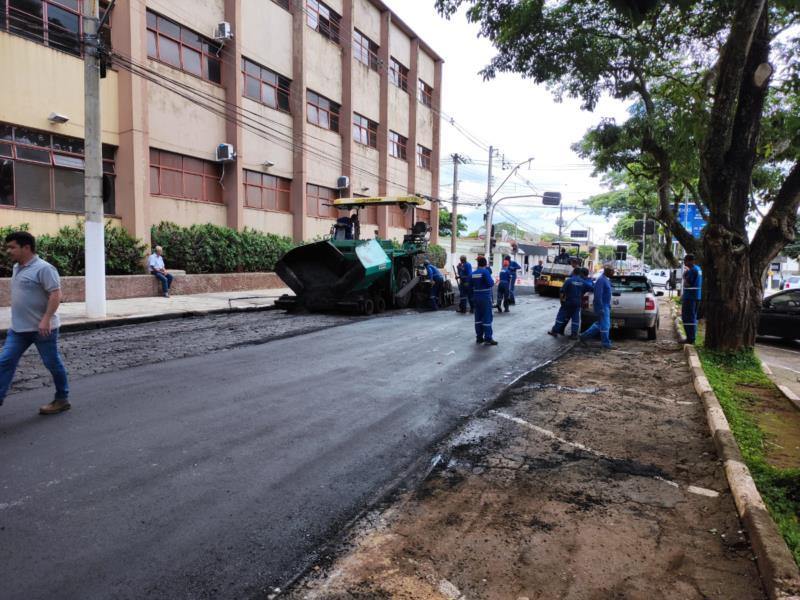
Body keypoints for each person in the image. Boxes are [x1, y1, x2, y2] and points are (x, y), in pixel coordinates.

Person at [0, 231, 70, 415]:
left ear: (26, 248)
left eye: (12, 247)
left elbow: (56, 294)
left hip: (43, 329)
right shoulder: (17, 267)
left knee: (52, 363)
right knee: (5, 361)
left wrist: (46, 319)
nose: (8, 251)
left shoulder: (44, 268)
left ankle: (62, 398)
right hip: (18, 329)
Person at [548, 267, 594, 339]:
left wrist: (561, 301)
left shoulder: (569, 281)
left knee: (561, 317)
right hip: (577, 303)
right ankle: (574, 334)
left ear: (574, 272)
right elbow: (592, 289)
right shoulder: (583, 282)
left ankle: (555, 331)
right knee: (575, 318)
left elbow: (562, 292)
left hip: (568, 302)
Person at [579, 264, 615, 349]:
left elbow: (606, 295)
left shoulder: (605, 280)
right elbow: (598, 296)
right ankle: (606, 344)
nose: (613, 272)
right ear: (608, 271)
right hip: (602, 306)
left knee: (599, 324)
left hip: (605, 305)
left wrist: (608, 305)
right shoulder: (601, 280)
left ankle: (583, 336)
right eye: (612, 271)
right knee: (605, 325)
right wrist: (601, 308)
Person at [472, 256, 497, 345]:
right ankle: (488, 338)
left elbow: (470, 284)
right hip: (485, 297)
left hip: (476, 297)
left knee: (478, 317)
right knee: (487, 317)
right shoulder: (485, 272)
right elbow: (490, 283)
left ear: (478, 263)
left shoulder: (474, 273)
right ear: (485, 264)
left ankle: (479, 337)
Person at [682, 254, 702, 344]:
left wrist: (685, 276)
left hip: (690, 298)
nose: (684, 263)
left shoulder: (692, 271)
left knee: (688, 317)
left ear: (690, 261)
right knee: (693, 317)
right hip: (696, 296)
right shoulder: (698, 269)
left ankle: (690, 338)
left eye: (685, 261)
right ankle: (692, 337)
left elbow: (687, 284)